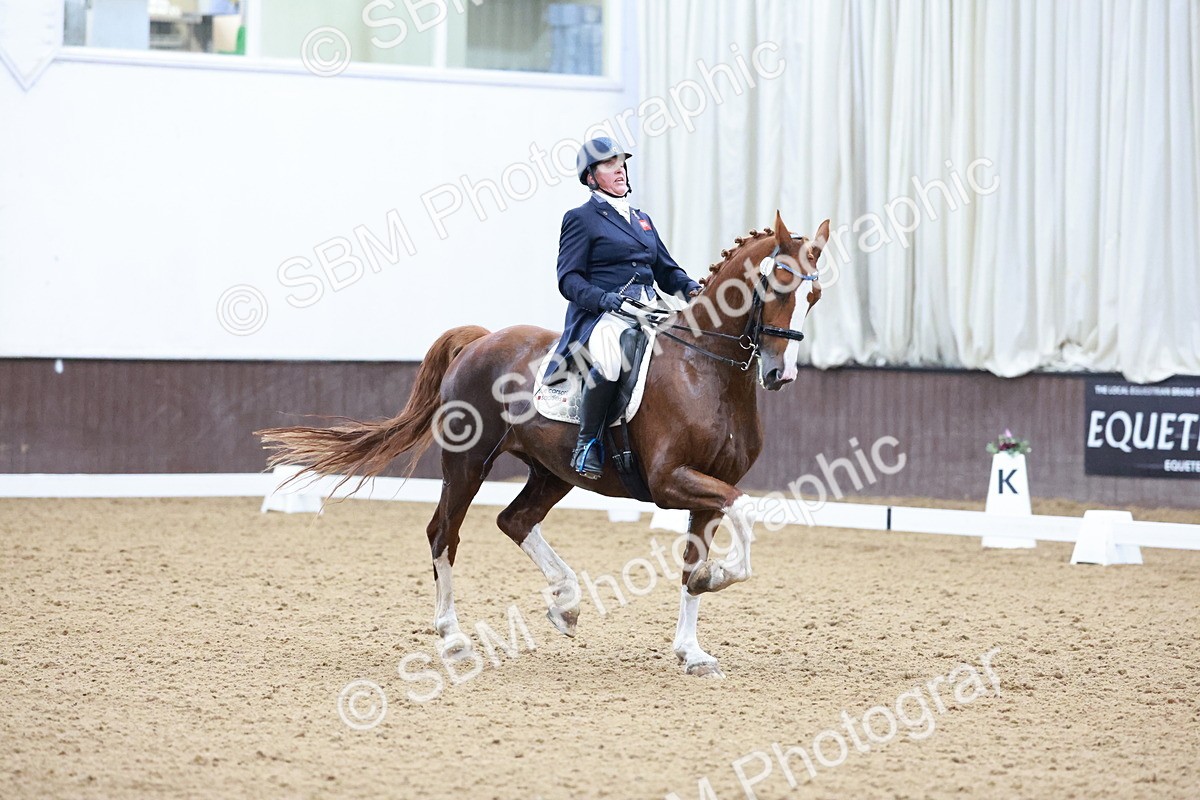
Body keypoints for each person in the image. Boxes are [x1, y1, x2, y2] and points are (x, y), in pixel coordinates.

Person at [549, 137, 701, 480]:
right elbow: (568, 279)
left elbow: (665, 270)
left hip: (649, 309)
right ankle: (586, 444)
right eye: (608, 164)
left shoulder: (642, 220)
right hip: (604, 313)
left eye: (621, 163)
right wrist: (604, 299)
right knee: (610, 360)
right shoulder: (581, 218)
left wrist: (691, 288)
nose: (619, 169)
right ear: (591, 177)